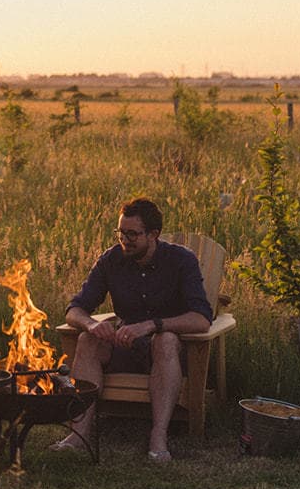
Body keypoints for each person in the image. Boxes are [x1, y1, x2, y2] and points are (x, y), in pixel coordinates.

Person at [55, 197, 213, 462]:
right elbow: (75, 310)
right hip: (126, 347)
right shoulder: (111, 260)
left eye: (132, 234)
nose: (124, 240)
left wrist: (153, 325)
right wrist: (92, 324)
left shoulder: (181, 261)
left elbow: (201, 319)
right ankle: (78, 434)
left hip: (169, 354)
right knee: (86, 339)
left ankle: (158, 436)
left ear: (154, 234)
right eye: (121, 232)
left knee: (164, 341)